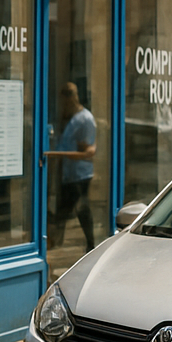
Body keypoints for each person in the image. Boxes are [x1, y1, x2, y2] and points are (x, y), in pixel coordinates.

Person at [47, 81, 98, 253]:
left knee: (76, 208)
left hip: (79, 173)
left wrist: (80, 154)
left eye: (69, 96)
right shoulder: (70, 118)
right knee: (70, 208)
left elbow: (88, 148)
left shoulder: (85, 119)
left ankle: (85, 243)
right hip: (68, 172)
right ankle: (58, 241)